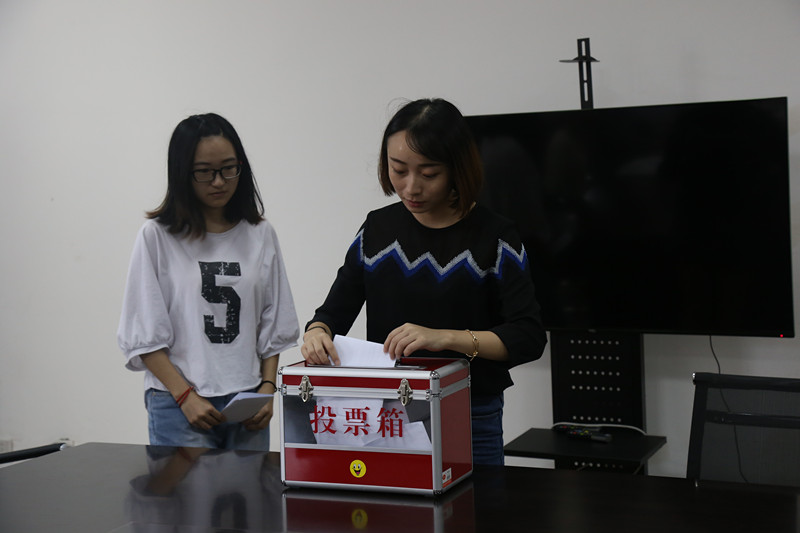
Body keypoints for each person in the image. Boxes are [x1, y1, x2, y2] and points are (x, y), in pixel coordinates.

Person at [300, 98, 547, 464]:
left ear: (457, 168)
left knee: (477, 501)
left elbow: (528, 336)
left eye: (429, 174)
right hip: (387, 415)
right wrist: (317, 332)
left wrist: (445, 338)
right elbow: (334, 311)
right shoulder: (378, 229)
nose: (411, 187)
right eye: (398, 170)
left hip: (469, 413)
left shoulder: (495, 237)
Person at [118, 113, 299, 451]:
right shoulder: (156, 237)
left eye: (229, 169)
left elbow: (273, 322)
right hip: (178, 405)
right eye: (204, 172)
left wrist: (267, 388)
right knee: (189, 489)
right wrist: (184, 396)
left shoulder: (260, 234)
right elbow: (143, 334)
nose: (218, 182)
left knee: (250, 488)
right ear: (181, 172)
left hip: (247, 403)